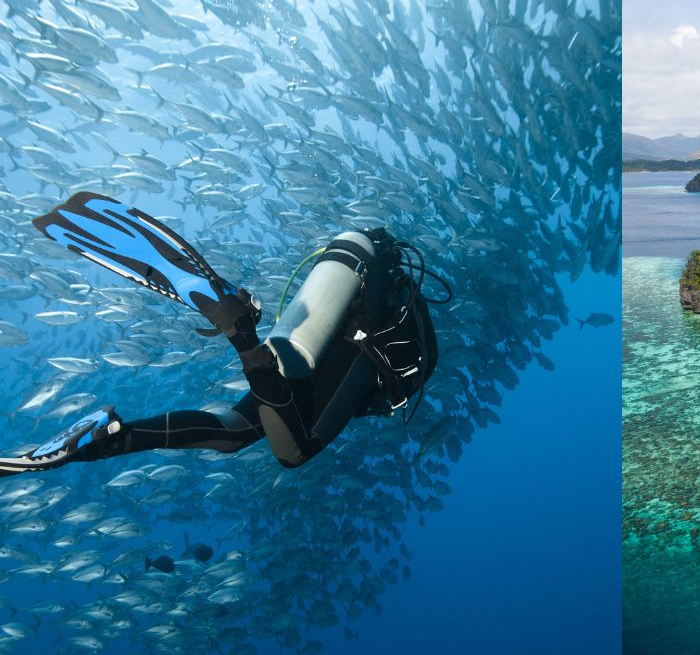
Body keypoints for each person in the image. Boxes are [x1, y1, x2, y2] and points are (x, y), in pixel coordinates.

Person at [0, 192, 442, 476]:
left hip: (309, 345)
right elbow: (396, 373)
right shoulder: (404, 318)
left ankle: (109, 439)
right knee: (295, 452)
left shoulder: (382, 284)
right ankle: (240, 333)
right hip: (361, 353)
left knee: (234, 432)